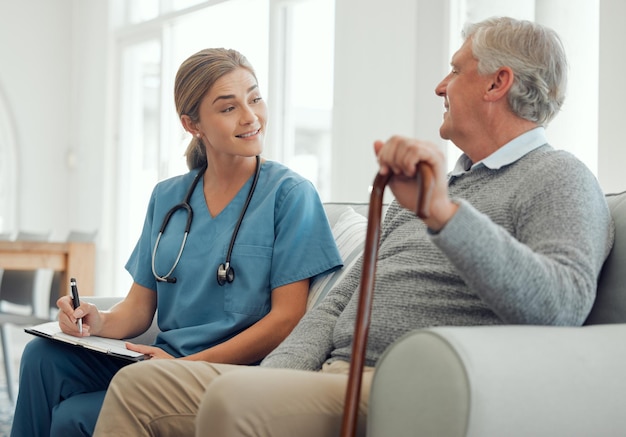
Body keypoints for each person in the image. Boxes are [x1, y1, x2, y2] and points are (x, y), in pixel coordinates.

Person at [92, 17, 614, 437]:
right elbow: (341, 304)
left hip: (402, 382)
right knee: (141, 387)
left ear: (498, 82)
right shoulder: (432, 191)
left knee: (233, 400)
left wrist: (445, 217)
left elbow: (561, 306)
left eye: (455, 71)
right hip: (330, 377)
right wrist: (276, 380)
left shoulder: (558, 178)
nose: (440, 85)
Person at [10, 48, 343, 437]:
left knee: (77, 417)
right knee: (42, 356)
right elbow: (139, 307)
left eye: (254, 98)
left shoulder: (289, 194)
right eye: (228, 107)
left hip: (228, 370)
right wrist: (97, 320)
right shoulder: (168, 197)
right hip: (161, 360)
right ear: (192, 124)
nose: (251, 117)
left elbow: (288, 320)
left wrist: (188, 364)